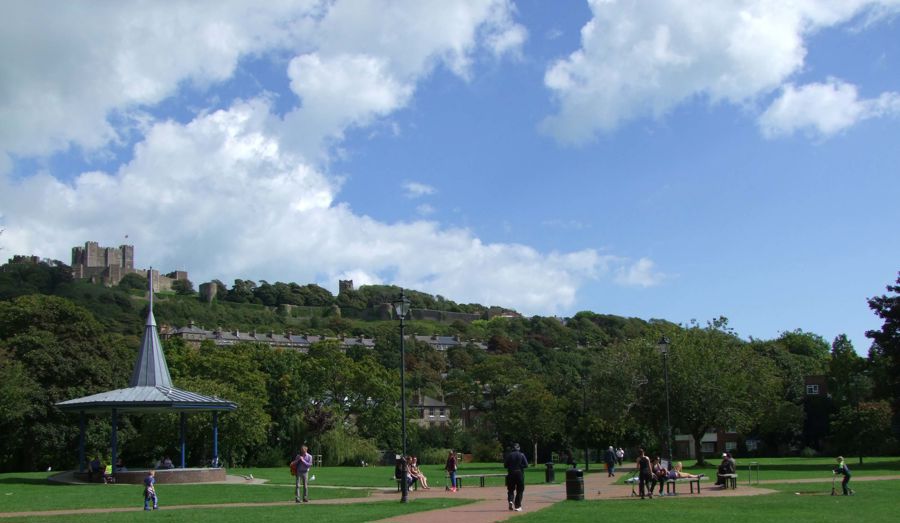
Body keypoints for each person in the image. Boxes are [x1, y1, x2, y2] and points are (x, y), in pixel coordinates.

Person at [504, 443, 528, 511]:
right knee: (520, 490)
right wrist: (520, 466)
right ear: (519, 448)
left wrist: (511, 466)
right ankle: (518, 506)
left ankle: (511, 500)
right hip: (519, 474)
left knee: (510, 489)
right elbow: (526, 465)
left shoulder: (509, 455)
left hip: (511, 474)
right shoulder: (522, 455)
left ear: (513, 448)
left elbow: (505, 465)